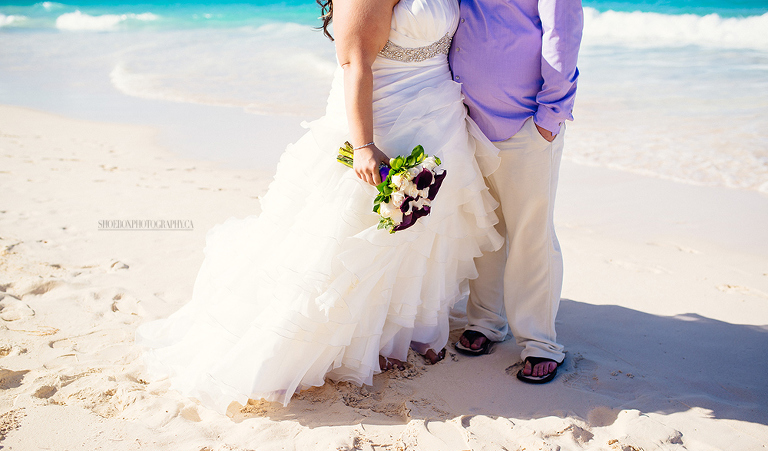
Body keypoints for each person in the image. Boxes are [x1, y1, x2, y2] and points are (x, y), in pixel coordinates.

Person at [135, 0, 503, 412]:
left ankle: (398, 333)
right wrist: (363, 145)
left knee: (421, 229)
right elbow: (354, 63)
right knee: (353, 234)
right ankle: (334, 344)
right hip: (383, 114)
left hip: (437, 109)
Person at [449, 0, 583, 383]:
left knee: (531, 235)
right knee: (485, 227)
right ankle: (486, 321)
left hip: (526, 123)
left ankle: (540, 342)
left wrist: (550, 116)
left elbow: (563, 34)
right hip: (467, 122)